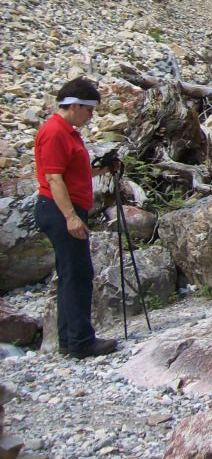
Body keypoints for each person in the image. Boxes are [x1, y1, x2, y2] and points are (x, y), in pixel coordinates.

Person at [33, 77, 118, 359]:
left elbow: (72, 173)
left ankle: (69, 340)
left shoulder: (67, 131)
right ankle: (81, 341)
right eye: (90, 111)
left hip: (63, 208)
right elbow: (54, 178)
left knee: (70, 273)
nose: (91, 117)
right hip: (59, 210)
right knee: (78, 273)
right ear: (76, 106)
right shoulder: (55, 132)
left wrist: (101, 171)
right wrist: (70, 217)